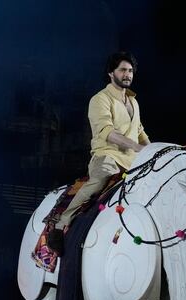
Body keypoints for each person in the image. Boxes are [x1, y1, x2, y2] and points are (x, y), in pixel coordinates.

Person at [48, 51, 150, 254]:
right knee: (98, 181)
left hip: (133, 160)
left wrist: (154, 150)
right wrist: (136, 147)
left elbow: (139, 131)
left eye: (130, 71)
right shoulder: (99, 99)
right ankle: (61, 224)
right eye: (122, 70)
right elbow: (107, 132)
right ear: (111, 73)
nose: (127, 74)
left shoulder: (134, 102)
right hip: (107, 156)